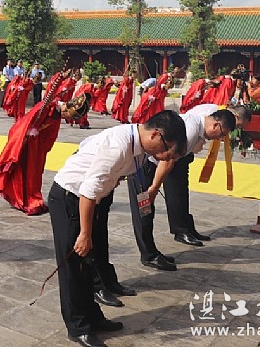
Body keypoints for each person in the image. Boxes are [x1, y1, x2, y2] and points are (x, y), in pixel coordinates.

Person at [48, 110, 186, 347]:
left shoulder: (137, 145)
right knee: (74, 266)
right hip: (70, 198)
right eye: (166, 150)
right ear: (155, 135)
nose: (164, 156)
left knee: (88, 263)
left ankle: (93, 317)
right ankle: (78, 327)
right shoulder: (119, 146)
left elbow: (88, 145)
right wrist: (85, 233)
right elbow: (87, 191)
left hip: (91, 200)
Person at [128, 109, 237, 273]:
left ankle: (151, 251)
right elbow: (167, 161)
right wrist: (153, 189)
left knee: (147, 209)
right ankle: (149, 255)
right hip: (144, 166)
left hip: (151, 165)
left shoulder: (197, 127)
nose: (220, 139)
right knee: (144, 210)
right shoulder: (191, 131)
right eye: (222, 134)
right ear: (216, 125)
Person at [0, 77, 91, 215]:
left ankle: (32, 198)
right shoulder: (47, 106)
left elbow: (50, 133)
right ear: (66, 108)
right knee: (26, 173)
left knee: (35, 173)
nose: (65, 118)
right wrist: (29, 132)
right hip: (27, 142)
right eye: (67, 115)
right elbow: (27, 121)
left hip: (37, 145)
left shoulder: (57, 112)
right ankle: (26, 200)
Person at [158, 104, 252, 249]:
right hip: (176, 150)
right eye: (238, 125)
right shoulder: (212, 113)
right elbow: (193, 130)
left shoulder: (218, 114)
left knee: (182, 192)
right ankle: (180, 230)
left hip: (185, 150)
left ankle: (187, 227)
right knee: (175, 192)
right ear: (235, 117)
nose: (235, 129)